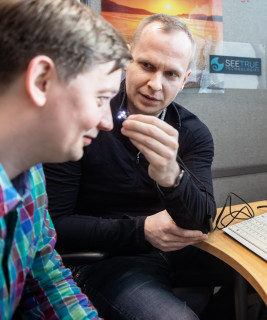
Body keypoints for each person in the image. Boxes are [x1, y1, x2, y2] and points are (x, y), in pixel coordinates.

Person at [44, 14, 233, 320]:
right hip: (110, 258)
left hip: (179, 253)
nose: (155, 84)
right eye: (147, 65)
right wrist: (140, 230)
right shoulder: (86, 120)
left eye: (170, 74)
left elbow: (202, 220)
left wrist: (172, 177)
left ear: (184, 80)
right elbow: (55, 226)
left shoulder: (192, 132)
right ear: (127, 61)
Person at [0, 0, 131, 318]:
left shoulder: (32, 175)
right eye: (101, 98)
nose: (107, 122)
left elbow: (44, 278)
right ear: (42, 80)